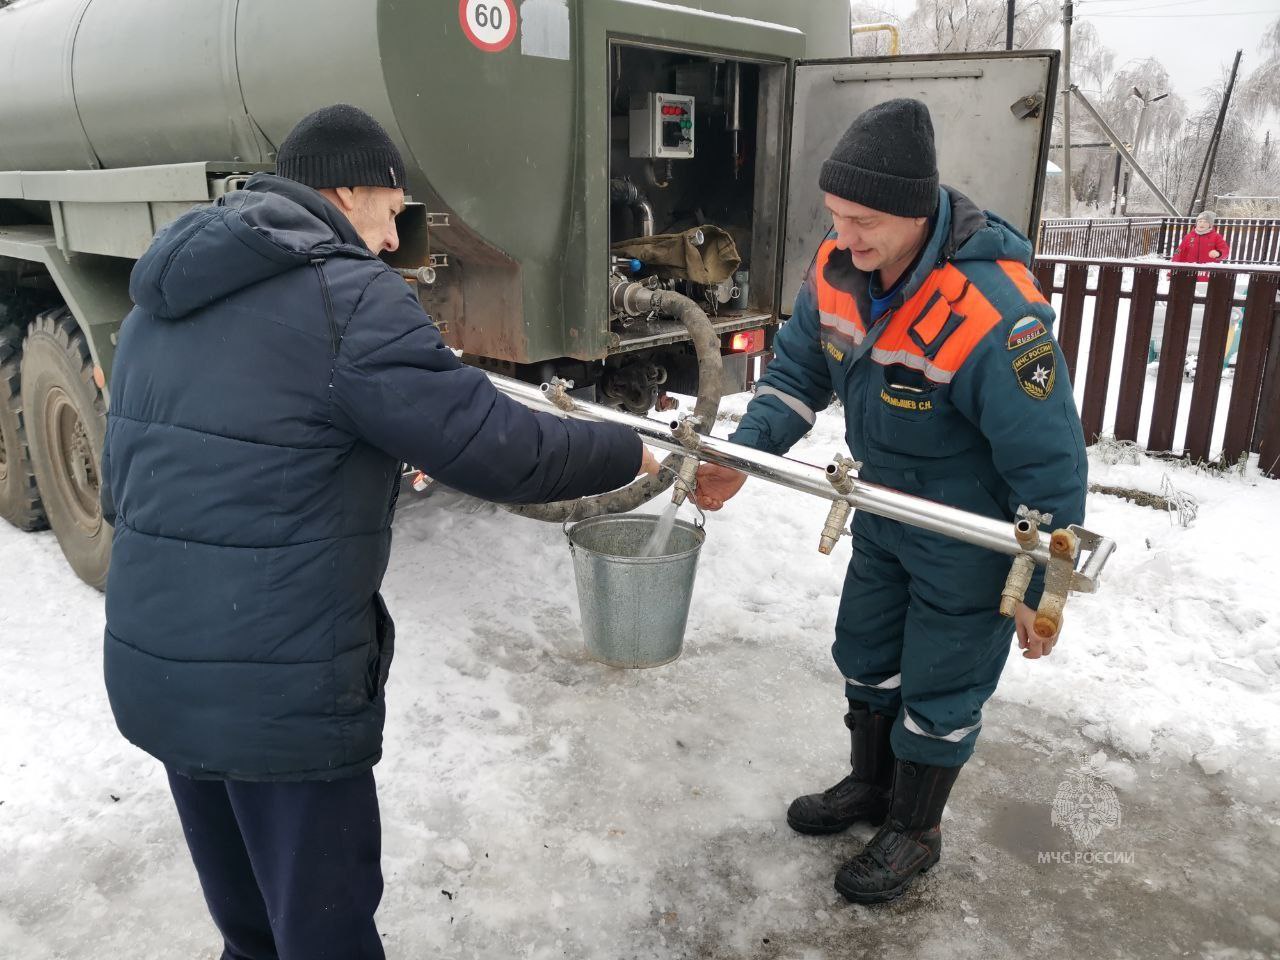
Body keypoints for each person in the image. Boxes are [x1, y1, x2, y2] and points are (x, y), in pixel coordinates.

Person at [99, 104, 656, 960]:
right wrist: (631, 448)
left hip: (159, 675)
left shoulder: (156, 302)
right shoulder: (344, 297)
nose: (394, 239)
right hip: (279, 696)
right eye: (394, 211)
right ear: (350, 188)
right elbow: (501, 450)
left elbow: (131, 484)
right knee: (323, 936)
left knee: (249, 933)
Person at [695, 99, 1088, 905]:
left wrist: (1040, 589)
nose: (845, 238)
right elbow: (796, 375)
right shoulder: (838, 274)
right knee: (867, 652)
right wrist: (744, 457)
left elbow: (1049, 462)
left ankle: (916, 830)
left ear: (916, 211)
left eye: (864, 220)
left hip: (968, 532)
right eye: (836, 217)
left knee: (943, 683)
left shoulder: (995, 313)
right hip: (883, 509)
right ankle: (870, 789)